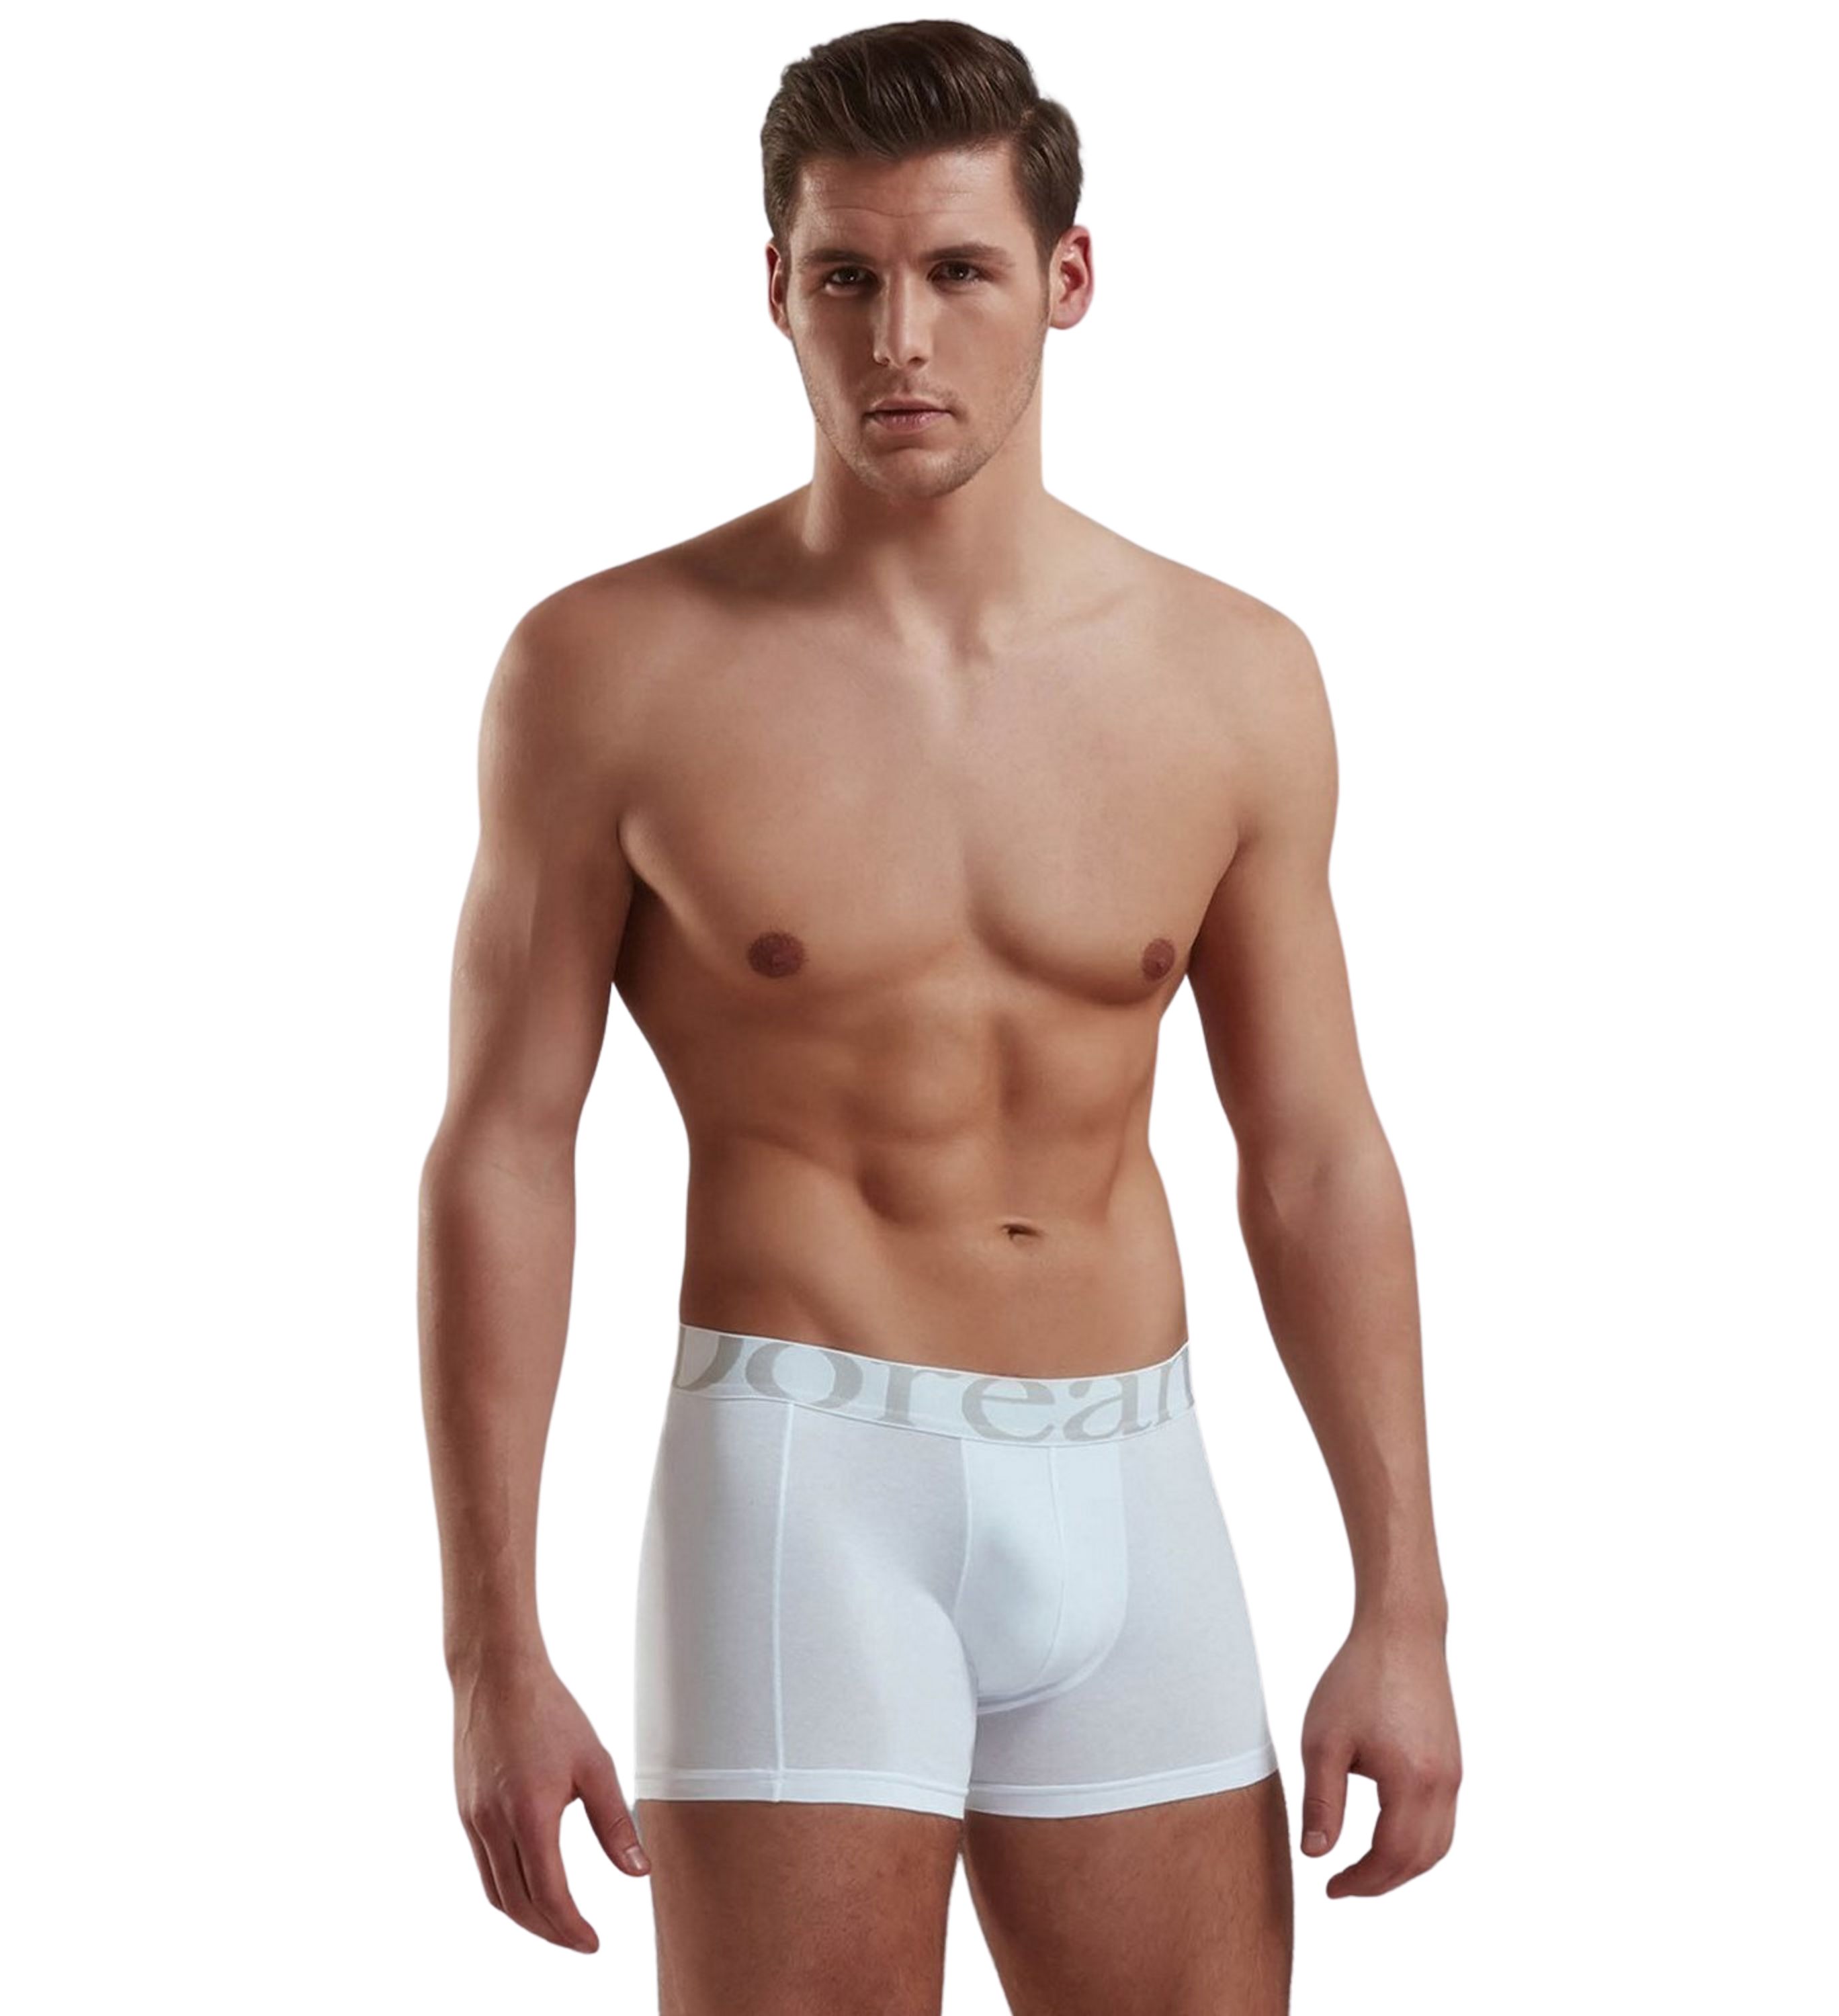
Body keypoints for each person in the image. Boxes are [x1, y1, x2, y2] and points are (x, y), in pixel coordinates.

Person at [417, 19, 1460, 2013]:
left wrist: (1403, 1605)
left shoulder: (1234, 678)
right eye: (848, 276)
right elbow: (503, 1153)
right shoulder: (607, 672)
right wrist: (491, 1651)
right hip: (802, 1481)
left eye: (960, 271)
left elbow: (1316, 1153)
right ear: (776, 287)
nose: (899, 338)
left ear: (1069, 278)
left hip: (1137, 1473)